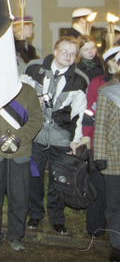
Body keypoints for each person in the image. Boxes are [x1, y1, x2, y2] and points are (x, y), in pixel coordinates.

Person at [22, 36, 88, 235]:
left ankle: (57, 218)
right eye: (65, 51)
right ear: (55, 51)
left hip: (61, 139)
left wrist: (75, 141)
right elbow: (20, 95)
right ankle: (35, 214)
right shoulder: (34, 69)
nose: (68, 56)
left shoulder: (80, 80)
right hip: (36, 136)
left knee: (58, 180)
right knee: (34, 177)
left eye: (73, 53)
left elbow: (79, 114)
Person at [0, 84, 43, 251]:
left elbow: (36, 119)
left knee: (20, 198)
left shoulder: (28, 91)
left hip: (20, 152)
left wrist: (19, 138)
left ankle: (16, 236)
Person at [93, 62, 120, 262]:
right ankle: (117, 245)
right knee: (115, 206)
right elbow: (100, 124)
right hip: (114, 157)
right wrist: (99, 155)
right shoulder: (108, 91)